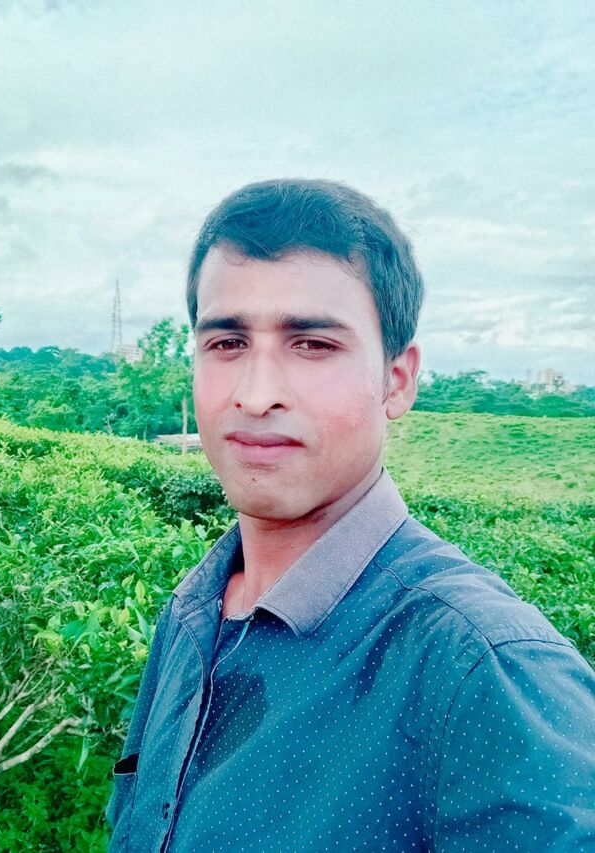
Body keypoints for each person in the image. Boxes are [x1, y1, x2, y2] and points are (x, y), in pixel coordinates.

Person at [107, 179, 595, 852]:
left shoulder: (485, 674)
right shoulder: (194, 609)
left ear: (397, 379)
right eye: (227, 343)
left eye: (312, 344)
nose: (256, 394)